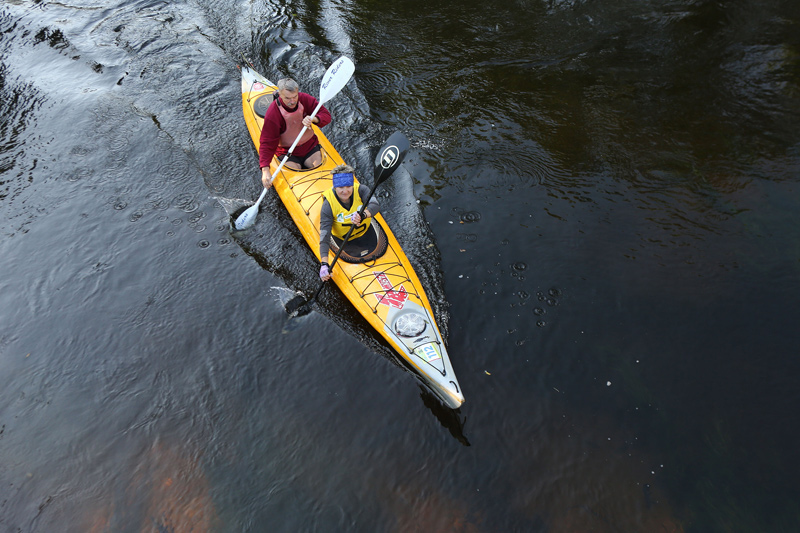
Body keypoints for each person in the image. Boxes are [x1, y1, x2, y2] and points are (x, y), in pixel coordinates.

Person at [259, 78, 332, 188]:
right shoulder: (273, 113)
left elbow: (326, 116)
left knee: (320, 171)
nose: (292, 101)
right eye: (288, 98)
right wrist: (265, 170)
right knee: (297, 179)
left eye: (295, 97)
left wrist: (314, 119)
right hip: (287, 153)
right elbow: (267, 142)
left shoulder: (305, 99)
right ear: (280, 95)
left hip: (310, 147)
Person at [318, 165, 380, 281]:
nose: (345, 191)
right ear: (335, 187)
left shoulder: (362, 190)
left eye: (348, 186)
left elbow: (375, 205)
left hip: (366, 234)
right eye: (341, 187)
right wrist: (324, 264)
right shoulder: (328, 205)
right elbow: (324, 236)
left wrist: (363, 215)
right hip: (343, 241)